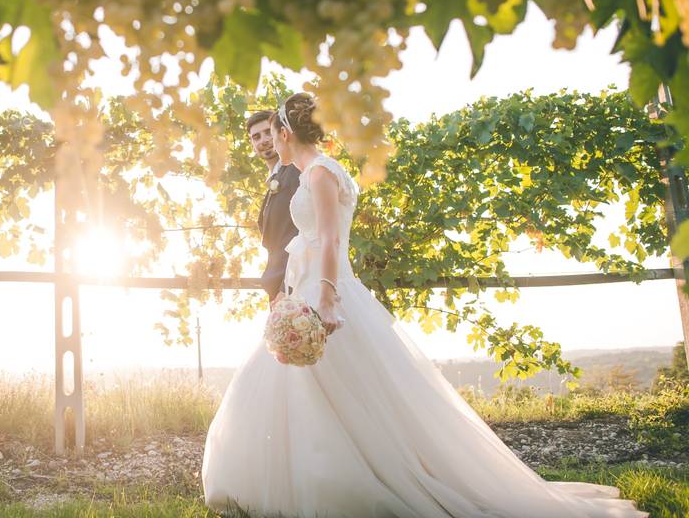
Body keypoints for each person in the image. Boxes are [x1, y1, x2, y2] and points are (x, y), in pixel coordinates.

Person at [202, 93, 647, 518]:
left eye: (271, 131)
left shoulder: (319, 172)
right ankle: (300, 477)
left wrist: (326, 298)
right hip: (306, 286)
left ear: (283, 132)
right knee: (303, 388)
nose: (268, 140)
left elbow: (333, 238)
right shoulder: (317, 168)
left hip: (325, 290)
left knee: (336, 387)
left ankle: (345, 480)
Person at [246, 109, 301, 303]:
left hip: (294, 287)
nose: (263, 140)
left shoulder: (296, 172)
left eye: (268, 132)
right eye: (256, 137)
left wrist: (286, 287)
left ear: (281, 133)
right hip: (277, 290)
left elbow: (303, 234)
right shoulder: (273, 182)